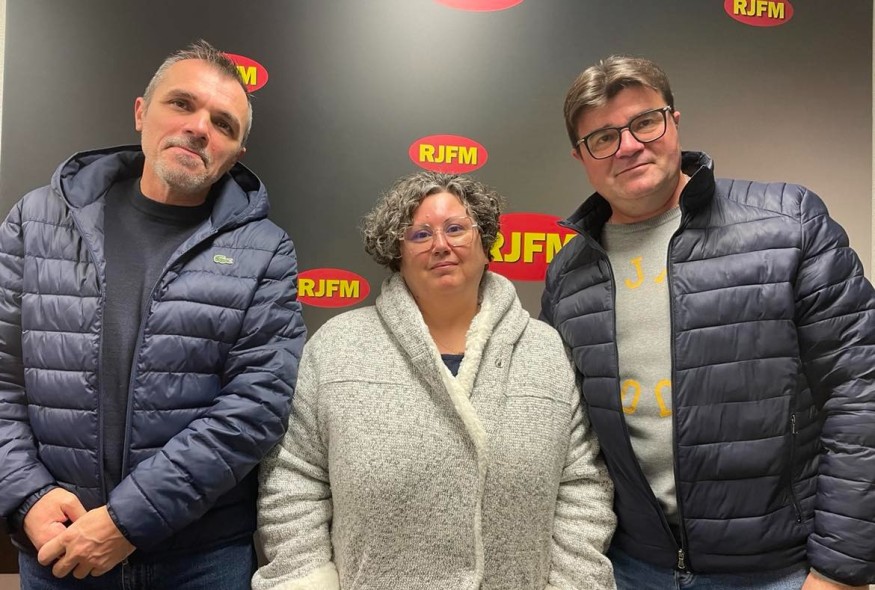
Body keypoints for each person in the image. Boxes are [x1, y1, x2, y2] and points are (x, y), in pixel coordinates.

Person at [540, 54, 875, 590]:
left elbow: (860, 391)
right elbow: (567, 434)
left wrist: (839, 569)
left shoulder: (789, 225)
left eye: (644, 121)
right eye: (603, 137)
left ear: (674, 121)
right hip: (631, 569)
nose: (628, 145)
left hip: (782, 571)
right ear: (582, 156)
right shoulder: (568, 275)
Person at [0, 40, 306, 588]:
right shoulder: (36, 221)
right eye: (181, 104)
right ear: (141, 112)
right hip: (58, 546)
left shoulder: (265, 250)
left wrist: (127, 522)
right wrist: (26, 495)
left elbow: (256, 405)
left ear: (235, 152)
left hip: (199, 559)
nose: (199, 128)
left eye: (223, 124)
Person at [252, 171, 616, 589]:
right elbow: (294, 480)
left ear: (485, 242)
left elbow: (583, 484)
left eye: (456, 229)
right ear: (397, 253)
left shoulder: (545, 352)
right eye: (420, 234)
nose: (441, 245)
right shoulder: (337, 348)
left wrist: (573, 581)